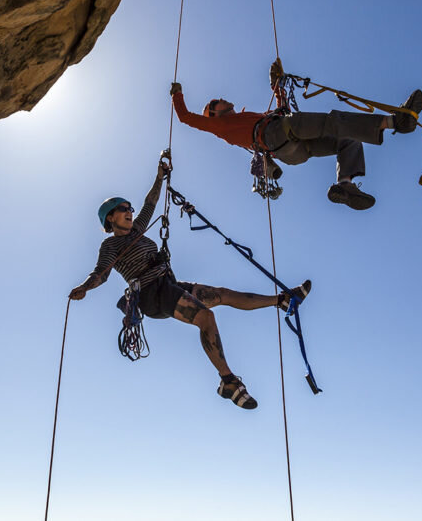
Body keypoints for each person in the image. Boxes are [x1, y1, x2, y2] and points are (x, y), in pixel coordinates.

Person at [70, 157, 310, 410]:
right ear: (110, 219)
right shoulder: (110, 245)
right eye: (123, 209)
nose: (130, 212)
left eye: (130, 208)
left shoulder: (138, 230)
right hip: (152, 295)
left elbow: (150, 204)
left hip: (169, 284)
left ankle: (282, 300)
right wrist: (85, 288)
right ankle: (227, 381)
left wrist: (159, 177)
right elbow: (101, 273)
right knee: (206, 317)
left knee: (222, 294)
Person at [169, 70, 422, 210]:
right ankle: (395, 122)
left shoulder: (249, 118)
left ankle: (344, 184)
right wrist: (177, 94)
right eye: (216, 101)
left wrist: (275, 84)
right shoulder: (219, 126)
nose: (222, 98)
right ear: (214, 113)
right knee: (332, 121)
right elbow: (185, 118)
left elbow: (280, 108)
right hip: (277, 134)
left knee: (347, 137)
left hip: (289, 151)